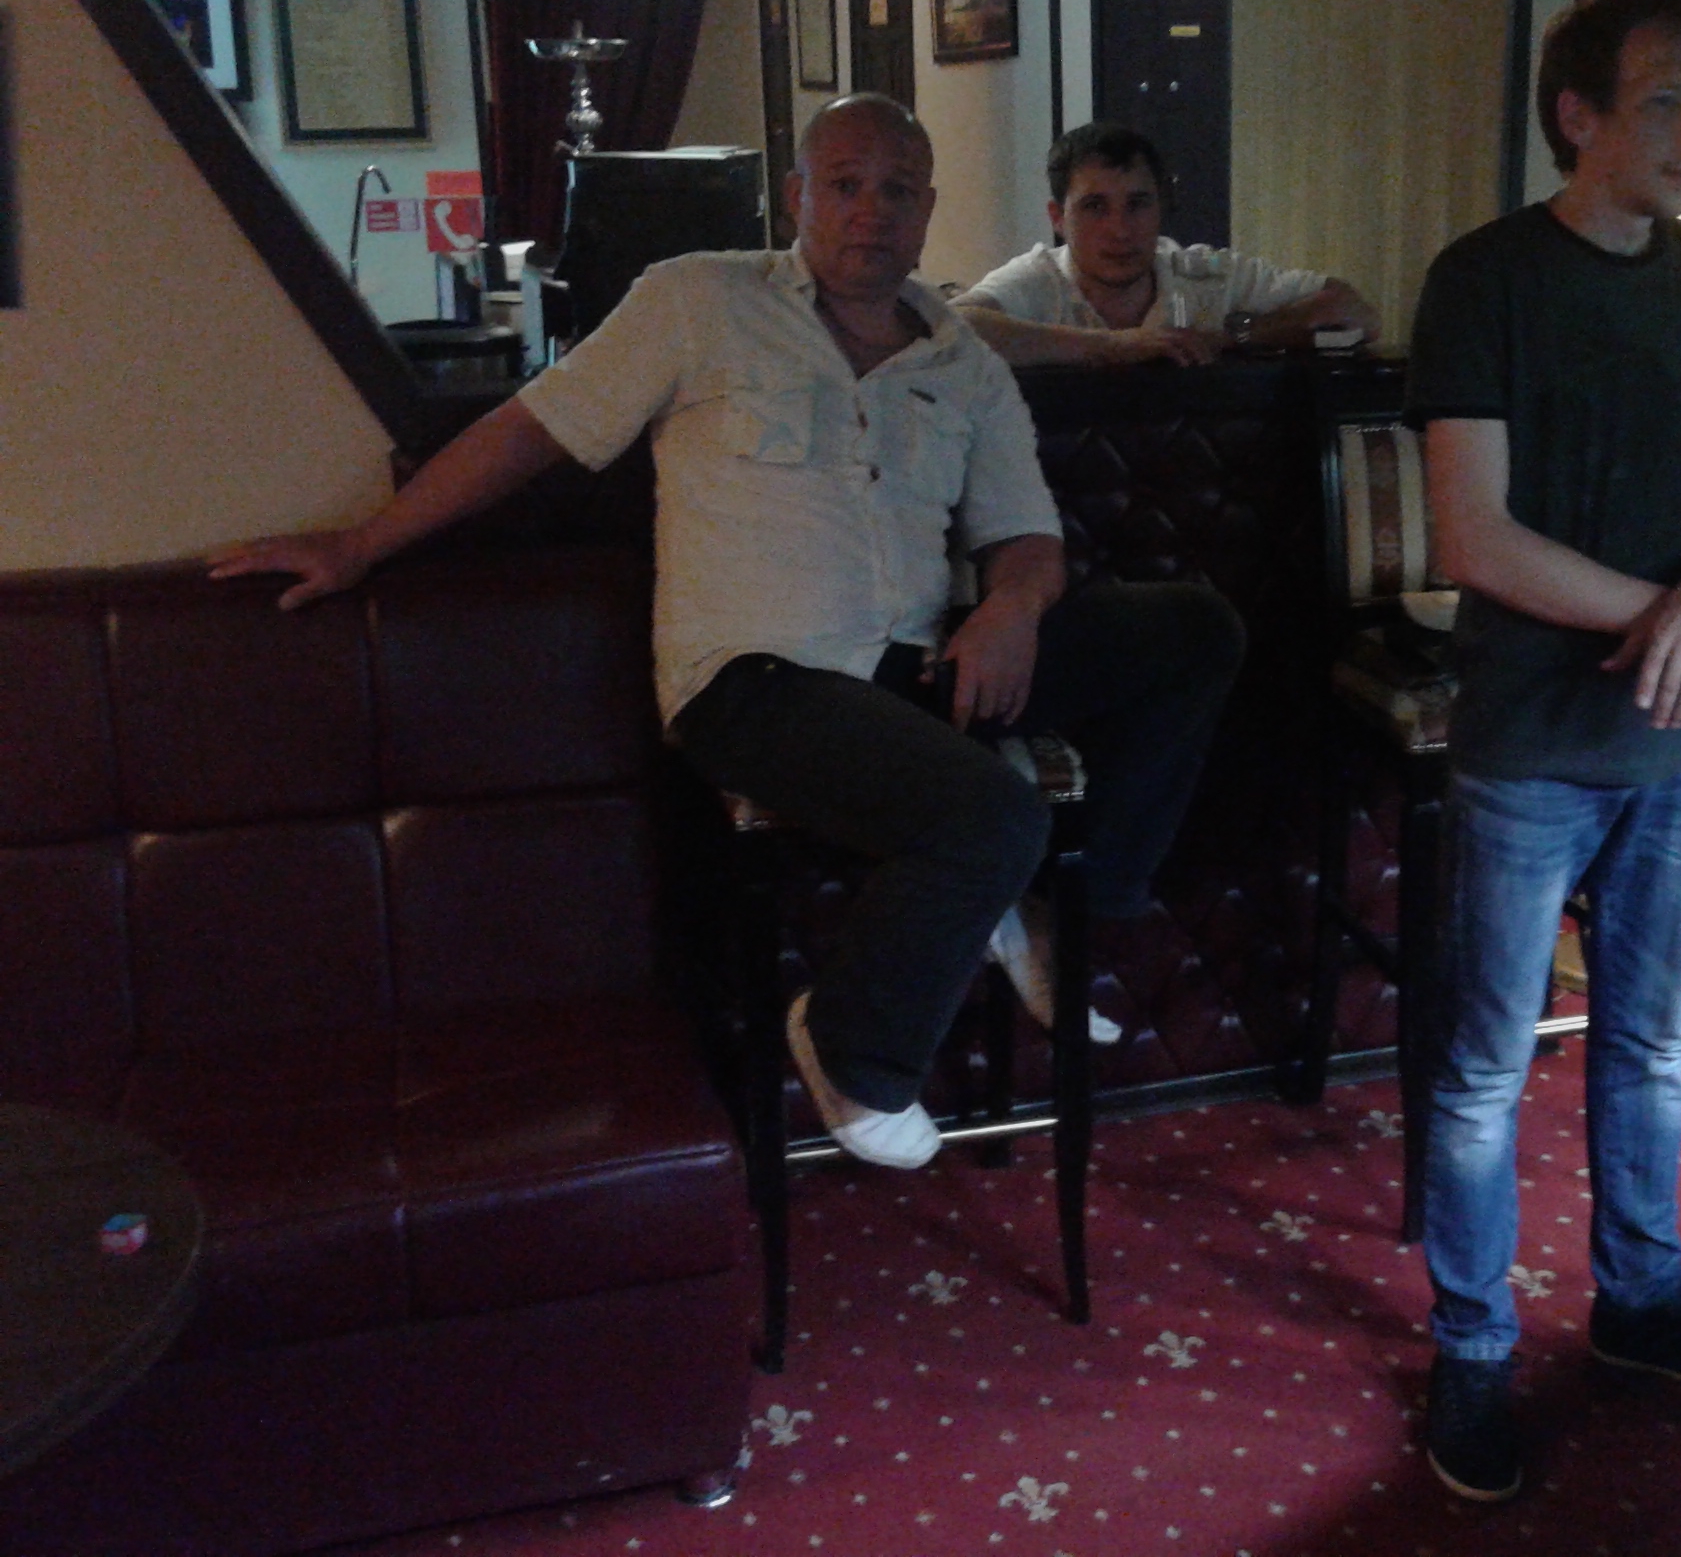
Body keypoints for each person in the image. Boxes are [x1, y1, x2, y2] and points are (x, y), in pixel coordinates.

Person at [211, 94, 1245, 1171]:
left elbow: (1026, 536)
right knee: (993, 814)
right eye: (844, 185)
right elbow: (530, 431)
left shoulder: (963, 360)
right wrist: (362, 544)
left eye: (897, 190)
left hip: (919, 662)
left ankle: (1056, 909)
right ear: (798, 196)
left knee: (1191, 629)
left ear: (928, 210)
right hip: (757, 683)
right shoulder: (697, 300)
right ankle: (850, 1047)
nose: (871, 211)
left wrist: (1010, 608)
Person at [1402, 0, 1681, 1503]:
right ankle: (1472, 1347)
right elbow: (1474, 539)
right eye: (1666, 102)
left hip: (1675, 748)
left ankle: (1640, 1307)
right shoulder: (1483, 279)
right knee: (1482, 1070)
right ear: (1578, 117)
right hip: (1529, 741)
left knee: (1652, 1051)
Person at [955, 122, 1380, 367]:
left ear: (1162, 207)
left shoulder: (1206, 275)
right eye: (1095, 207)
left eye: (1138, 204)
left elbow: (1355, 314)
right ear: (1057, 219)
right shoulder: (1037, 279)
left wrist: (1231, 337)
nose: (1120, 230)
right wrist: (1114, 346)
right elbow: (951, 327)